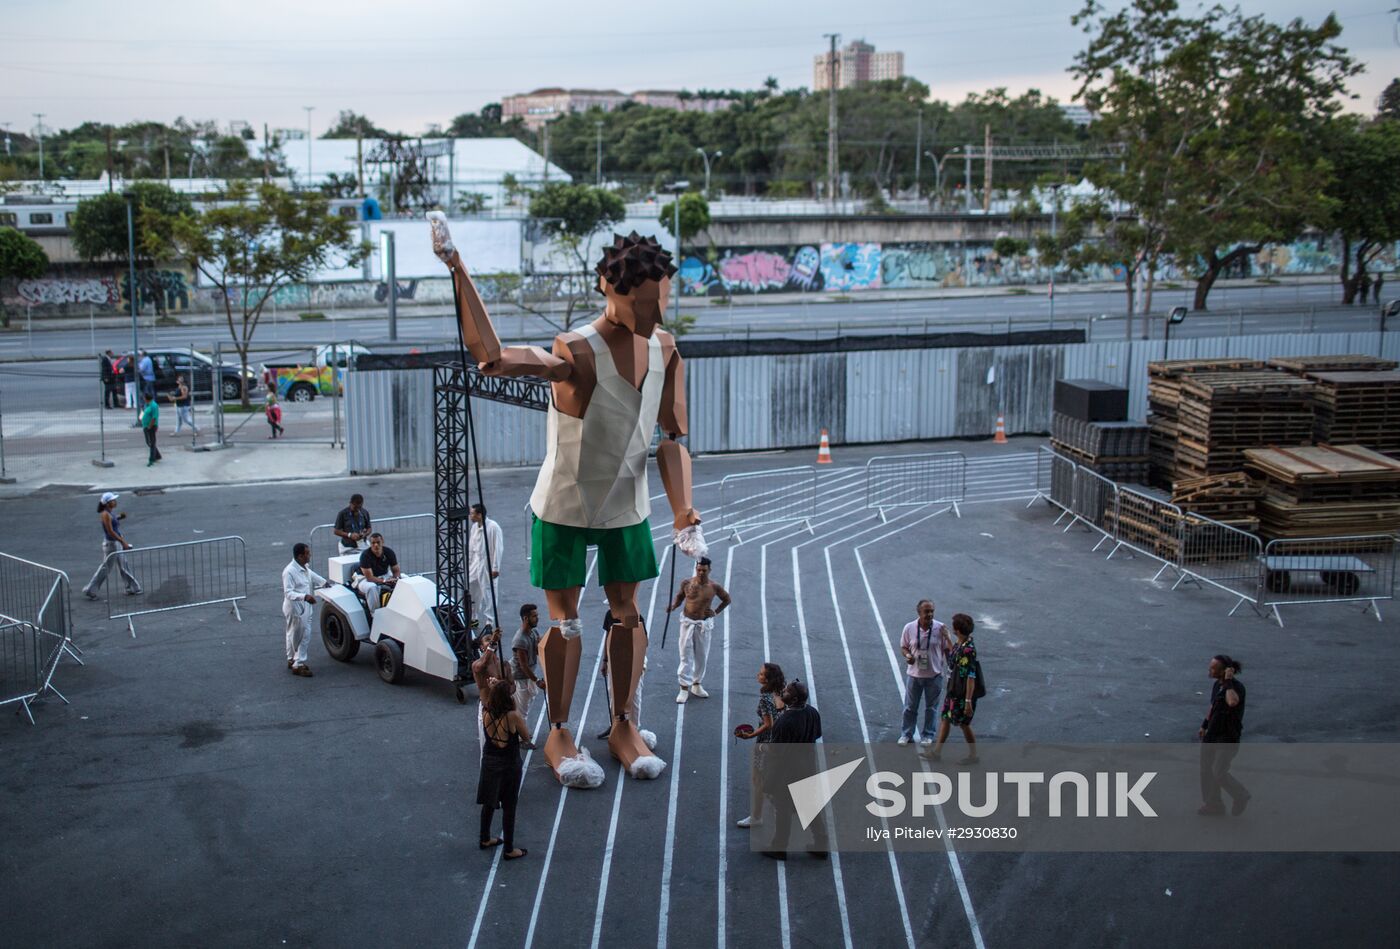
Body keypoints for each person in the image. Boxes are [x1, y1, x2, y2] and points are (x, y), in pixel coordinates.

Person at [435, 220, 699, 785]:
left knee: (627, 617)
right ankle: (559, 730)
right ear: (612, 288)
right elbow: (494, 358)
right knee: (567, 622)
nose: (655, 316)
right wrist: (459, 269)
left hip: (627, 500)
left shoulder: (666, 347)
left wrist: (682, 509)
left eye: (661, 303)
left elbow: (673, 438)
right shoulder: (576, 349)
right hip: (565, 504)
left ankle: (623, 723)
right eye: (645, 303)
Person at [761, 680, 828, 861]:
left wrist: (763, 748)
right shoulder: (813, 713)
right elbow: (817, 734)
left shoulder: (784, 721)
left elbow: (775, 750)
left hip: (786, 772)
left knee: (782, 809)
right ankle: (821, 844)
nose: (784, 692)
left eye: (787, 691)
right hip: (807, 766)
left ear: (794, 698)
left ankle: (779, 847)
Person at [478, 678, 532, 861]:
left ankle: (484, 838)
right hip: (509, 764)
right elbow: (526, 736)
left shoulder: (486, 712)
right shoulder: (513, 716)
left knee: (489, 802)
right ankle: (509, 849)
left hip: (490, 762)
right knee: (510, 807)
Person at [666, 556, 731, 703]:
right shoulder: (687, 583)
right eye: (699, 569)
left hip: (703, 625)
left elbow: (727, 599)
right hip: (687, 623)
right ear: (696, 568)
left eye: (704, 570)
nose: (701, 572)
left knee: (701, 656)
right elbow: (680, 596)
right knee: (685, 655)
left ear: (709, 570)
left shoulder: (714, 587)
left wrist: (716, 611)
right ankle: (683, 688)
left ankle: (696, 684)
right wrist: (674, 606)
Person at [1198, 654, 1249, 816]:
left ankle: (1241, 795)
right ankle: (1214, 804)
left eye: (1213, 667)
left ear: (1224, 671)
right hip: (1212, 734)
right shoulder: (1216, 686)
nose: (1209, 669)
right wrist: (1204, 725)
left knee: (1218, 771)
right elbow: (1213, 707)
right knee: (1206, 770)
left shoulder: (1236, 688)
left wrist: (1228, 682)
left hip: (1227, 737)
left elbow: (1232, 702)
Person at [736, 662, 785, 829]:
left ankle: (756, 817)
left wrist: (750, 735)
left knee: (758, 780)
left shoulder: (765, 698)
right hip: (782, 740)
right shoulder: (783, 692)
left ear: (768, 680)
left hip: (766, 743)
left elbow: (768, 724)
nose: (758, 675)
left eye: (762, 674)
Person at [926, 613, 978, 764]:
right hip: (953, 690)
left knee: (964, 724)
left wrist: (968, 701)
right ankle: (936, 752)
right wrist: (948, 638)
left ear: (959, 630)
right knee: (945, 718)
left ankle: (973, 755)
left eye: (954, 628)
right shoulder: (961, 643)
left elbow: (970, 676)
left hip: (962, 694)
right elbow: (953, 656)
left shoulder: (968, 650)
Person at [899, 599, 950, 746]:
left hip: (934, 676)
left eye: (932, 611)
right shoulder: (909, 628)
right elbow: (904, 647)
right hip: (914, 676)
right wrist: (908, 655)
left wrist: (949, 671)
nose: (930, 614)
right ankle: (906, 734)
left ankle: (928, 735)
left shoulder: (941, 628)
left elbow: (948, 650)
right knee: (910, 707)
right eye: (926, 611)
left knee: (931, 708)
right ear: (919, 612)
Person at [282, 542, 330, 677]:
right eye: (307, 554)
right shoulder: (289, 571)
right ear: (300, 556)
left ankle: (292, 659)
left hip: (305, 607)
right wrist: (305, 596)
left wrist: (324, 583)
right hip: (296, 609)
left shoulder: (304, 567)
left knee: (293, 633)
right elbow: (288, 593)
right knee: (302, 635)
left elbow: (311, 575)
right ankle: (299, 664)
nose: (310, 556)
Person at [82, 492, 142, 598]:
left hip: (115, 543)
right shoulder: (105, 514)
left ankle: (132, 588)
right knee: (106, 568)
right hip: (112, 544)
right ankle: (91, 589)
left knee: (123, 565)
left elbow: (112, 521)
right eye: (113, 500)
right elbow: (110, 531)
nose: (115, 502)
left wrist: (119, 517)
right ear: (107, 503)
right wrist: (123, 542)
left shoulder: (110, 512)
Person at [469, 503, 504, 628]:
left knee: (488, 591)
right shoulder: (474, 527)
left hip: (486, 563)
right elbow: (471, 547)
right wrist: (470, 563)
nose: (470, 516)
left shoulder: (493, 527)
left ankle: (490, 621)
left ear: (479, 515)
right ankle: (473, 616)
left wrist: (495, 568)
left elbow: (498, 548)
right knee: (472, 588)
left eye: (472, 513)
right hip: (476, 562)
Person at [511, 603, 545, 719]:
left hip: (529, 674)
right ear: (526, 618)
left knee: (528, 701)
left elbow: (537, 650)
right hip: (520, 677)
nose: (537, 618)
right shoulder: (520, 640)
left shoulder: (534, 632)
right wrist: (537, 681)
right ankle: (521, 735)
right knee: (522, 709)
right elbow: (523, 665)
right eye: (534, 616)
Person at [354, 533, 400, 617]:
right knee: (372, 588)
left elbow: (396, 570)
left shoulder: (389, 552)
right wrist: (385, 581)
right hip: (364, 578)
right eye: (373, 543)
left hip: (384, 574)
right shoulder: (365, 556)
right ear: (370, 544)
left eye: (378, 542)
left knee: (404, 580)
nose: (376, 545)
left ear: (382, 542)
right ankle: (375, 614)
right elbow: (370, 578)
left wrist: (396, 579)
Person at [140, 392, 162, 467]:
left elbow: (154, 417)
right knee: (148, 442)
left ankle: (152, 459)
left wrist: (150, 426)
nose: (143, 399)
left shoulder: (154, 406)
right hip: (146, 426)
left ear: (146, 398)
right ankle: (157, 455)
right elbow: (144, 412)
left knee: (151, 442)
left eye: (144, 398)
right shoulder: (147, 404)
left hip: (151, 427)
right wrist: (141, 418)